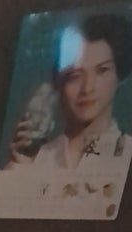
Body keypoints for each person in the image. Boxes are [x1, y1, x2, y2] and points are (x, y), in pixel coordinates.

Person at [7, 13, 132, 171]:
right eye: (75, 76)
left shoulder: (128, 151)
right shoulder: (35, 158)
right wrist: (19, 167)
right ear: (59, 82)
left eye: (102, 71)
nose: (87, 88)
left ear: (119, 75)